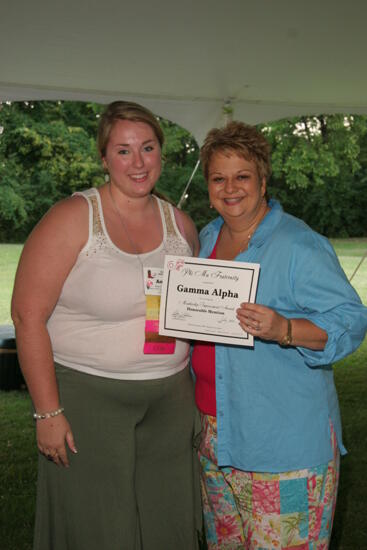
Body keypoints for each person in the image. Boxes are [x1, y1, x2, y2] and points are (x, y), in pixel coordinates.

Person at [11, 101, 201, 550]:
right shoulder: (73, 218)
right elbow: (27, 316)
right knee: (98, 528)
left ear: (161, 153)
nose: (138, 162)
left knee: (166, 523)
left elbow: (192, 310)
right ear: (103, 157)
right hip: (89, 402)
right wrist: (47, 412)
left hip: (171, 403)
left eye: (148, 148)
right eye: (123, 150)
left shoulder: (181, 224)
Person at [191, 121, 367, 549]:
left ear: (263, 179)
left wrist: (285, 329)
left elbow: (351, 318)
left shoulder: (297, 245)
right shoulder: (208, 237)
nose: (230, 188)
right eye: (219, 177)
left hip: (281, 448)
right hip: (215, 440)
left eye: (242, 176)